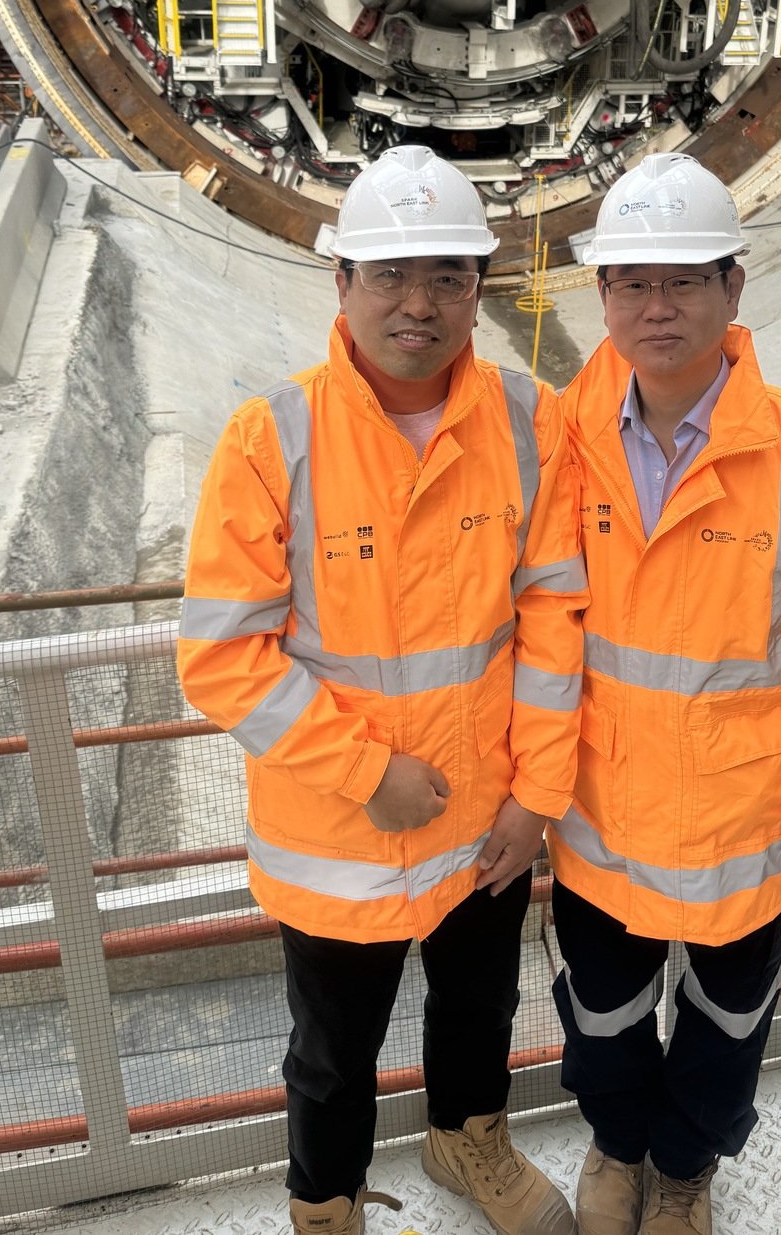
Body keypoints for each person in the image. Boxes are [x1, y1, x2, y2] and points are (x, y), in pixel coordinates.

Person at [178, 145, 586, 1235]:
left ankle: (467, 1146)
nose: (420, 303)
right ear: (341, 282)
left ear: (477, 288)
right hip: (338, 836)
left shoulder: (526, 419)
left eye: (449, 276)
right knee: (329, 1053)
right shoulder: (274, 436)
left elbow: (554, 618)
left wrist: (535, 796)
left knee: (478, 1008)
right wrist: (367, 772)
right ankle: (326, 1205)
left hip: (484, 825)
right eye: (390, 275)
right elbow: (222, 654)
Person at [549, 153, 781, 1235]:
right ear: (600, 294)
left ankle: (683, 1170)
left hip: (743, 825)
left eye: (683, 281)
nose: (655, 307)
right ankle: (617, 1150)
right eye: (631, 283)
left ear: (731, 289)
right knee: (602, 1015)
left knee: (725, 1018)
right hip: (600, 813)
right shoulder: (560, 437)